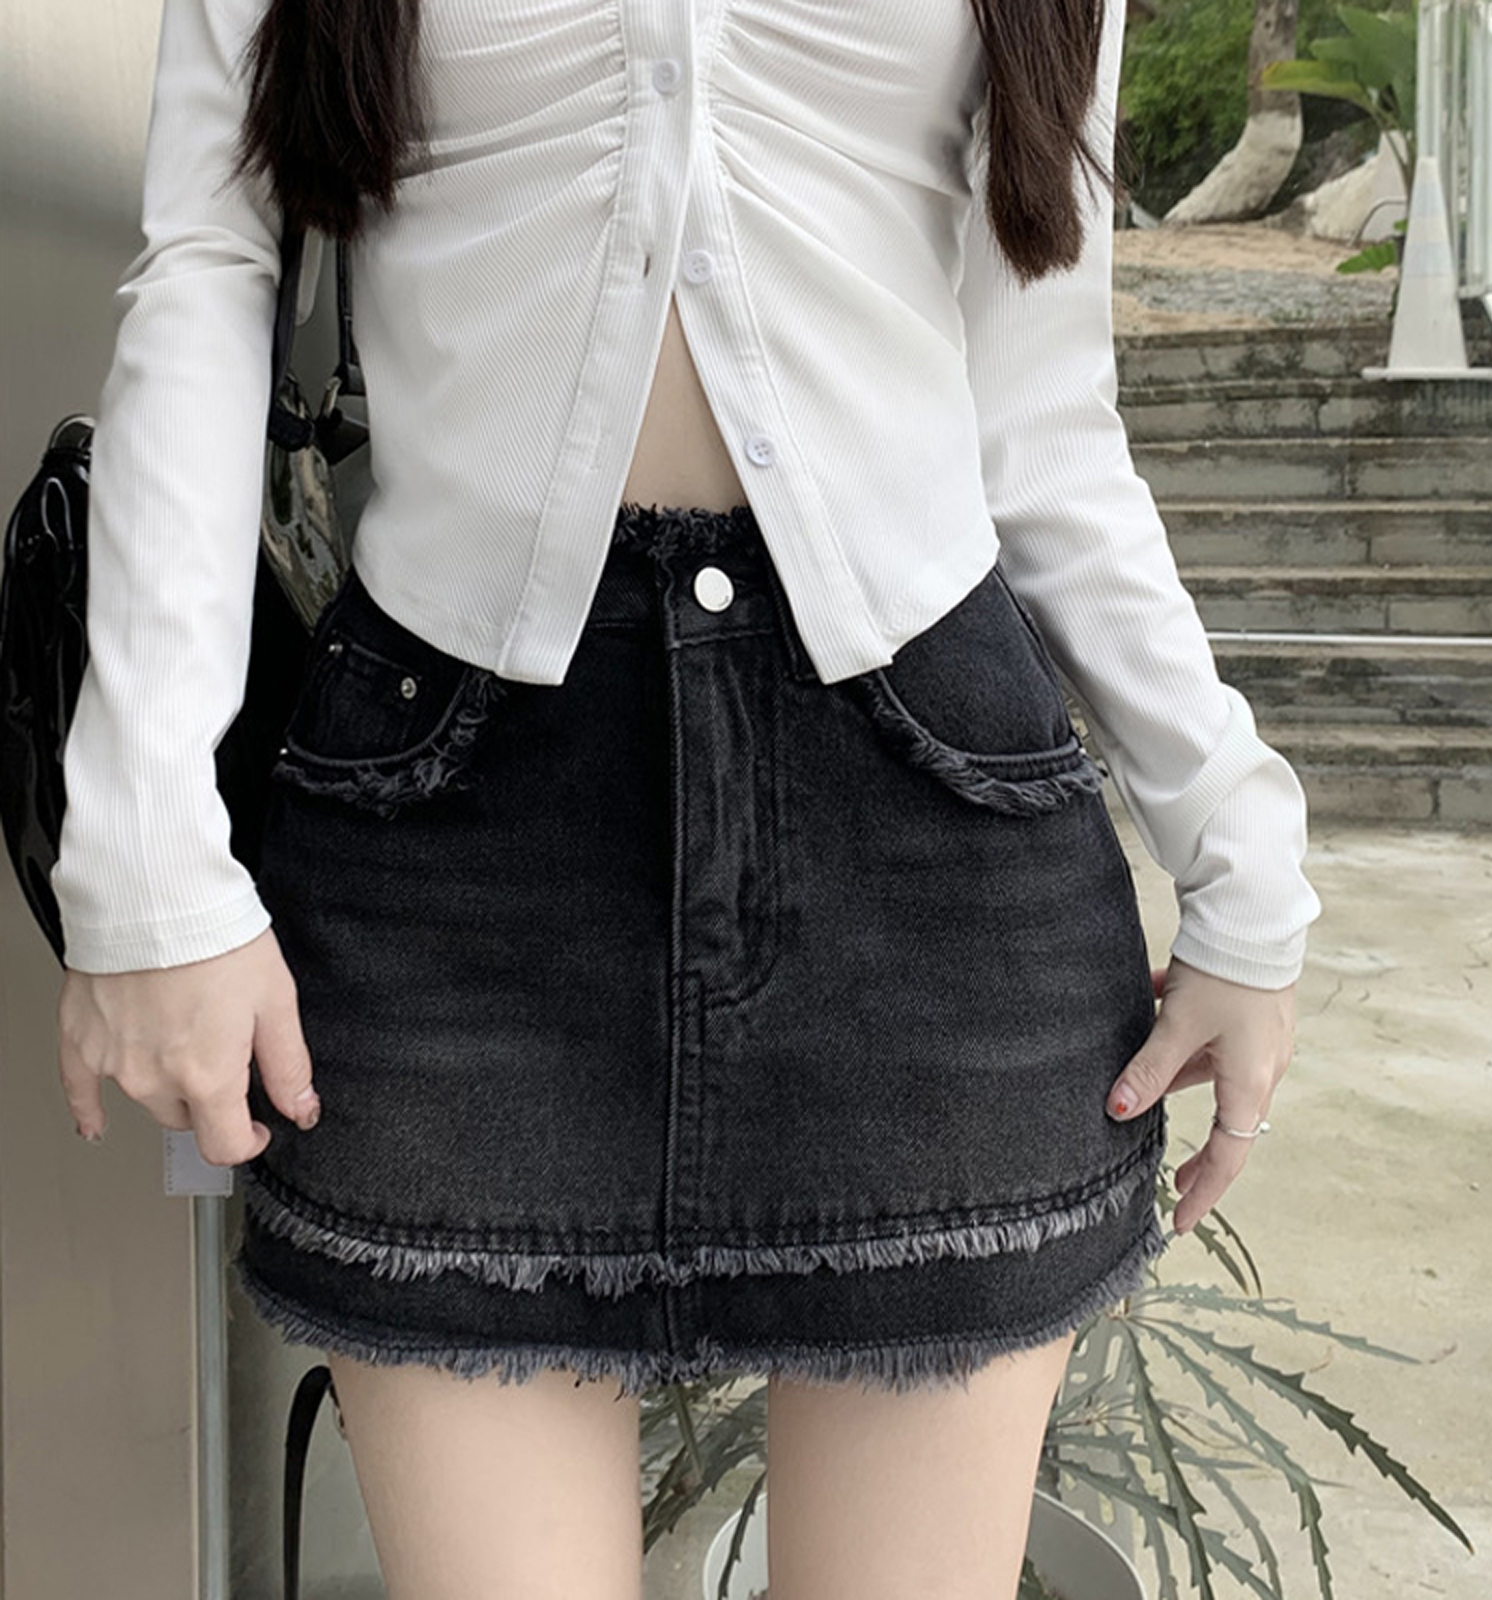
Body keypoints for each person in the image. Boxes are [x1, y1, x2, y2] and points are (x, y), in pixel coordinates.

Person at [50, 0, 1320, 1594]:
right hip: (454, 839)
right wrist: (146, 855)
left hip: (927, 830)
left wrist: (1238, 855)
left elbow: (1041, 421)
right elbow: (206, 277)